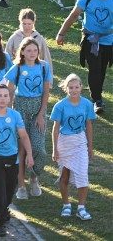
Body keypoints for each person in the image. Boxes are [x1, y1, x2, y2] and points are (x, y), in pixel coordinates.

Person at [0, 84, 33, 237]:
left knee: (10, 190)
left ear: (10, 98)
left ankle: (4, 208)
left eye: (5, 95)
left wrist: (29, 154)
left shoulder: (15, 115)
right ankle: (0, 222)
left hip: (12, 159)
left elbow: (23, 136)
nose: (2, 98)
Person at [56, 0, 112, 114]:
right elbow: (74, 15)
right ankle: (97, 100)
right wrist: (61, 33)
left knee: (102, 69)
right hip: (90, 39)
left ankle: (97, 95)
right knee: (94, 68)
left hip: (108, 40)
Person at [5, 37, 52, 200]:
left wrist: (41, 114)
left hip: (37, 108)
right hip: (20, 109)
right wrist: (9, 114)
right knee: (21, 150)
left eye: (35, 50)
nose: (32, 53)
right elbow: (10, 91)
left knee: (39, 149)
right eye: (29, 50)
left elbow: (46, 92)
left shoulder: (44, 67)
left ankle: (34, 177)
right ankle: (21, 185)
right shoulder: (17, 68)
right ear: (22, 52)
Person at [50, 74, 96, 221]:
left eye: (76, 87)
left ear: (81, 87)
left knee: (83, 174)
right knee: (64, 175)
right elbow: (55, 129)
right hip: (64, 143)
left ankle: (81, 208)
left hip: (80, 142)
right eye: (71, 87)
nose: (74, 90)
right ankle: (66, 205)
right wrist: (54, 149)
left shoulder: (87, 104)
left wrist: (90, 146)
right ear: (66, 89)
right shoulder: (60, 105)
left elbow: (88, 125)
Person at [5, 8, 53, 73]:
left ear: (33, 23)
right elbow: (7, 56)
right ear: (20, 22)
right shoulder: (14, 37)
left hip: (36, 71)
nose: (27, 27)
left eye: (29, 24)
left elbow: (46, 58)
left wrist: (48, 76)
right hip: (18, 71)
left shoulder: (39, 38)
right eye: (24, 24)